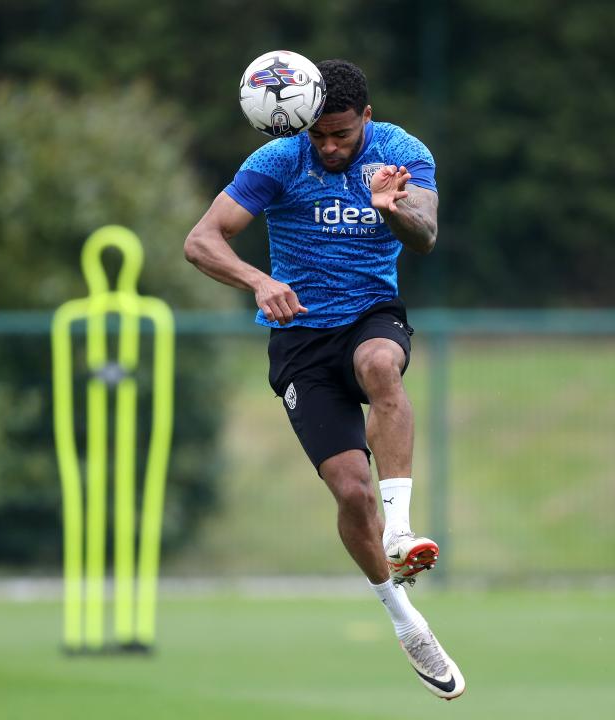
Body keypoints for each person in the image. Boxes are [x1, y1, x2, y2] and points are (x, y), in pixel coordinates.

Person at [184, 59, 465, 701]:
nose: (331, 147)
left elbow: (424, 236)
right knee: (348, 490)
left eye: (341, 134)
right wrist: (258, 280)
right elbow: (201, 241)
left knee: (378, 365)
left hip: (371, 315)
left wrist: (390, 208)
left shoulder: (401, 153)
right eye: (320, 136)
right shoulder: (280, 160)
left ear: (366, 118)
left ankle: (401, 530)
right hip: (301, 341)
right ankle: (406, 621)